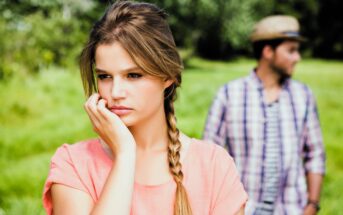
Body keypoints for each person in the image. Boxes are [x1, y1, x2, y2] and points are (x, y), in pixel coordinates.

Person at [42, 1, 247, 214]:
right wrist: (125, 154)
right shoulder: (73, 164)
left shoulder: (214, 166)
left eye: (133, 75)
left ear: (168, 76)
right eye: (104, 76)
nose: (115, 92)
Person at [203, 15, 325, 215]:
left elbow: (316, 155)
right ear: (268, 51)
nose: (298, 58)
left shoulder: (304, 95)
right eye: (291, 50)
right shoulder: (229, 95)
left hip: (292, 209)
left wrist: (312, 205)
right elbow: (208, 159)